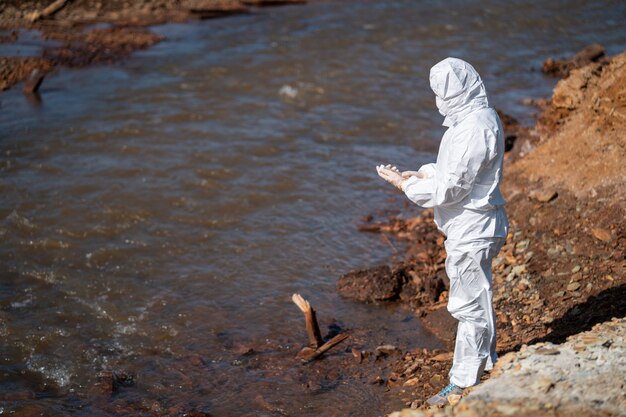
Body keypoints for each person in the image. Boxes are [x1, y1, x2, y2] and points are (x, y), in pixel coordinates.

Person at [376, 57, 508, 406]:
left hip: (474, 227)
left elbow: (452, 188)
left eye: (442, 95)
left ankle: (463, 382)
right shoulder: (475, 119)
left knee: (468, 305)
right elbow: (454, 174)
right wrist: (418, 176)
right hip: (475, 224)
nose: (439, 103)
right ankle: (488, 363)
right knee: (478, 298)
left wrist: (407, 188)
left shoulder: (474, 127)